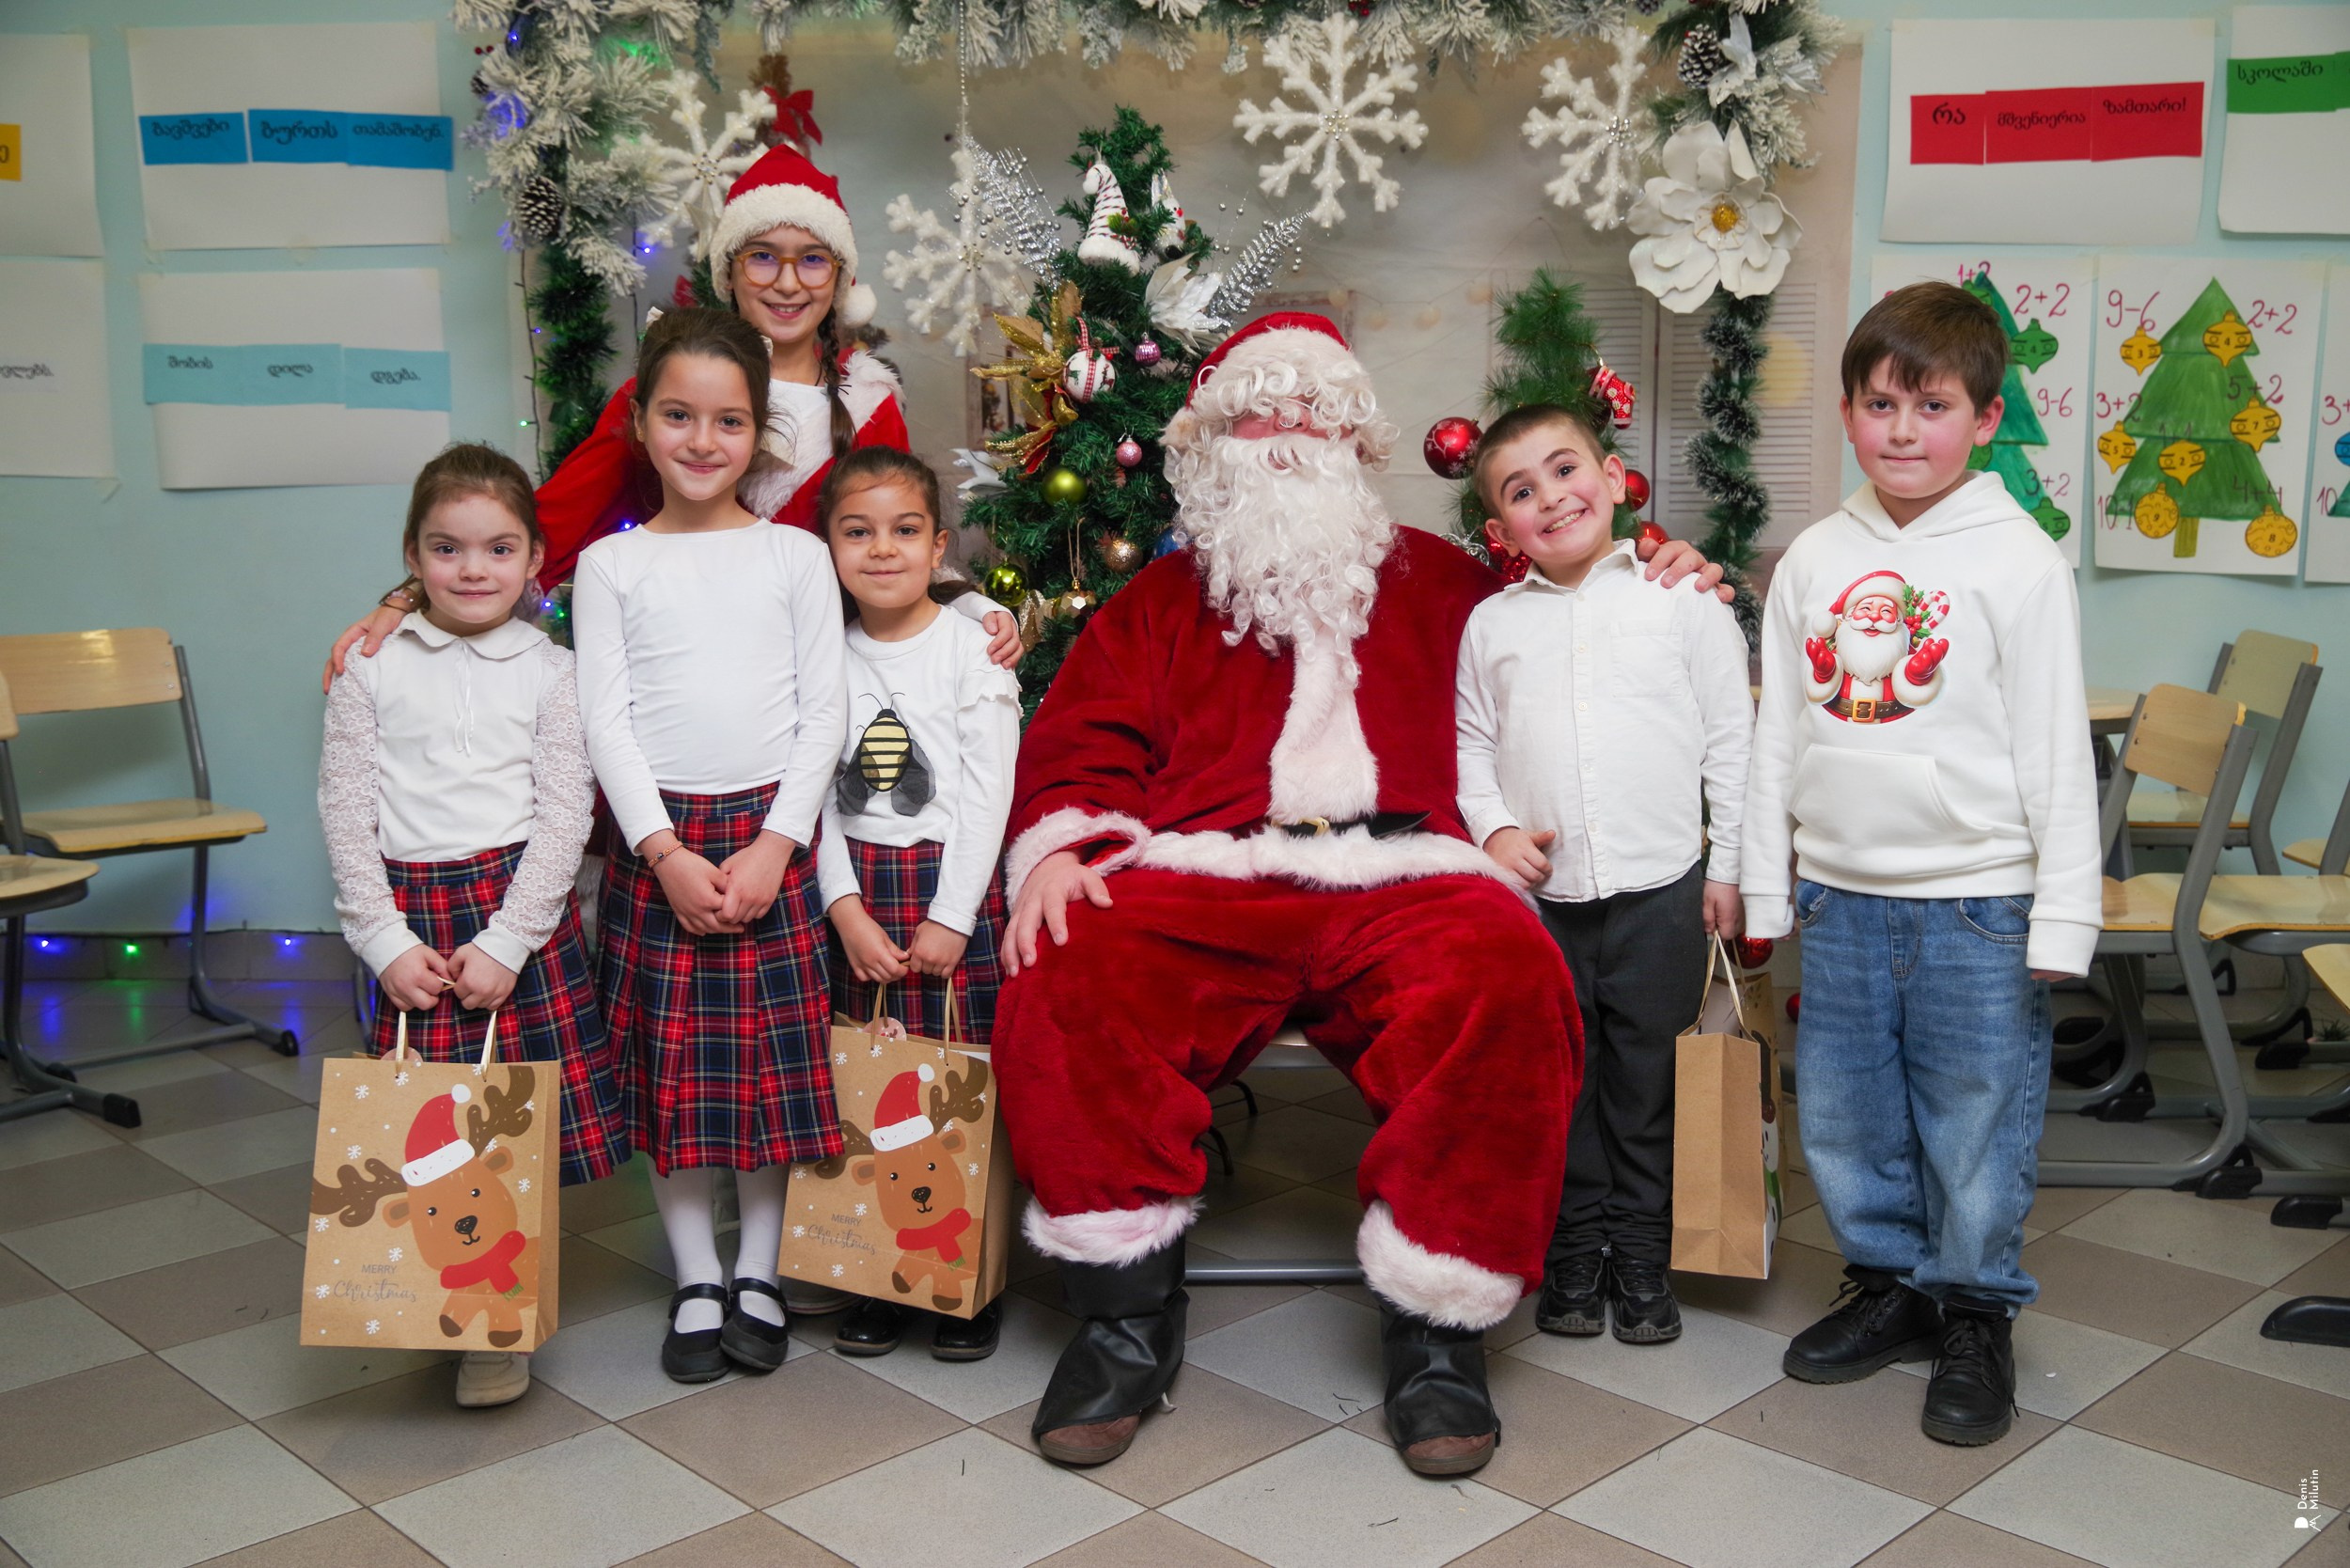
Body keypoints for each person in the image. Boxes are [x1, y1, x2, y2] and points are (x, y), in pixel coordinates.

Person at [993, 313, 1727, 1478]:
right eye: (1258, 420)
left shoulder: (1453, 586)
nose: (1284, 443)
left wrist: (1665, 566)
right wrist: (1058, 849)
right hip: (1208, 871)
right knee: (1073, 964)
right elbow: (1085, 738)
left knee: (1502, 973)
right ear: (1213, 445)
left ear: (1353, 440)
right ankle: (1125, 1319)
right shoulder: (1159, 602)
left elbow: (1580, 605)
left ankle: (1437, 1333)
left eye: (1309, 418)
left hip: (1411, 870)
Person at [1743, 281, 2100, 1446]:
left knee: (1976, 1120)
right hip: (1839, 898)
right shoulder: (1812, 560)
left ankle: (1974, 1310)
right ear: (1847, 412)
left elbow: (2055, 748)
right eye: (1880, 403)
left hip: (1979, 905)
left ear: (1984, 419)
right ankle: (1886, 1284)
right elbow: (1777, 735)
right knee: (1843, 1114)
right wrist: (1762, 886)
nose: (1903, 430)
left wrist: (2063, 923)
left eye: (1931, 405)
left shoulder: (2019, 561)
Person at [321, 142, 1021, 691]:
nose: (786, 282)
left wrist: (968, 609)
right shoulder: (671, 399)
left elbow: (899, 543)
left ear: (840, 278)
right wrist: (413, 597)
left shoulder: (867, 407)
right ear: (728, 270)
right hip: (680, 674)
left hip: (824, 688)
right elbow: (550, 522)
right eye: (762, 258)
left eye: (811, 260)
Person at [318, 441, 630, 1411]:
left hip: (511, 913)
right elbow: (344, 804)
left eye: (499, 550)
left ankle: (498, 1324)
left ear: (536, 560)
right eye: (447, 549)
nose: (472, 570)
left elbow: (564, 815)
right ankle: (426, 1293)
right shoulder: (369, 664)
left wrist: (508, 941)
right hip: (407, 913)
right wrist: (380, 939)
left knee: (505, 1132)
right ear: (412, 557)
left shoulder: (555, 672)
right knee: (427, 1127)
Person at [571, 308, 848, 1383]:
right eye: (678, 416)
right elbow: (607, 721)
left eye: (727, 420)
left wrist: (780, 844)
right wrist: (661, 852)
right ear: (641, 423)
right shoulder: (611, 566)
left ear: (760, 432)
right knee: (678, 1079)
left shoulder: (794, 555)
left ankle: (761, 1271)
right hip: (665, 847)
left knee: (766, 1081)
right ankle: (695, 1273)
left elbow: (822, 713)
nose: (701, 440)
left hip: (770, 836)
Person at [1455, 403, 1752, 1349]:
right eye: (1520, 490)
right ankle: (1574, 1250)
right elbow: (1471, 745)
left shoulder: (1682, 602)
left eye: (1564, 470)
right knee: (1566, 1080)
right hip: (1546, 903)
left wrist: (1729, 863)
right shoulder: (1489, 627)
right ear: (1500, 532)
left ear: (1616, 476)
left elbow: (1728, 740)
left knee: (1648, 1079)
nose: (1551, 497)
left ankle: (1641, 1252)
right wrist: (1496, 830)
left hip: (1664, 886)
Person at [814, 446, 1020, 1363]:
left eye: (904, 532)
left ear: (939, 548)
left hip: (950, 890)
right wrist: (843, 905)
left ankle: (963, 1282)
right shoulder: (818, 654)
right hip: (861, 893)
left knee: (956, 1095)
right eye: (857, 532)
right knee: (869, 1090)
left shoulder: (969, 646)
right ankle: (876, 1269)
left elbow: (987, 790)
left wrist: (954, 915)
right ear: (828, 546)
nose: (881, 551)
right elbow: (809, 791)